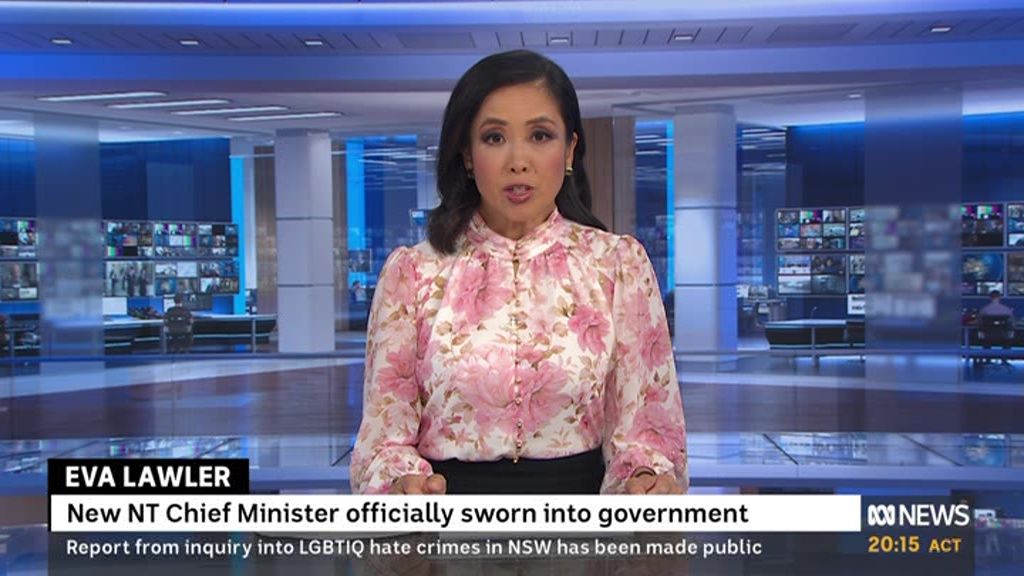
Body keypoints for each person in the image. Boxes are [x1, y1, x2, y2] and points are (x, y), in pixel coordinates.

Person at [350, 50, 687, 495]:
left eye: (540, 135)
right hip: (445, 516)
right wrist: (401, 484)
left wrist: (644, 480)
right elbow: (384, 438)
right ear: (466, 154)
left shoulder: (617, 266)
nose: (518, 161)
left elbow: (646, 432)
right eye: (494, 138)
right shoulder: (413, 274)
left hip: (580, 520)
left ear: (570, 150)